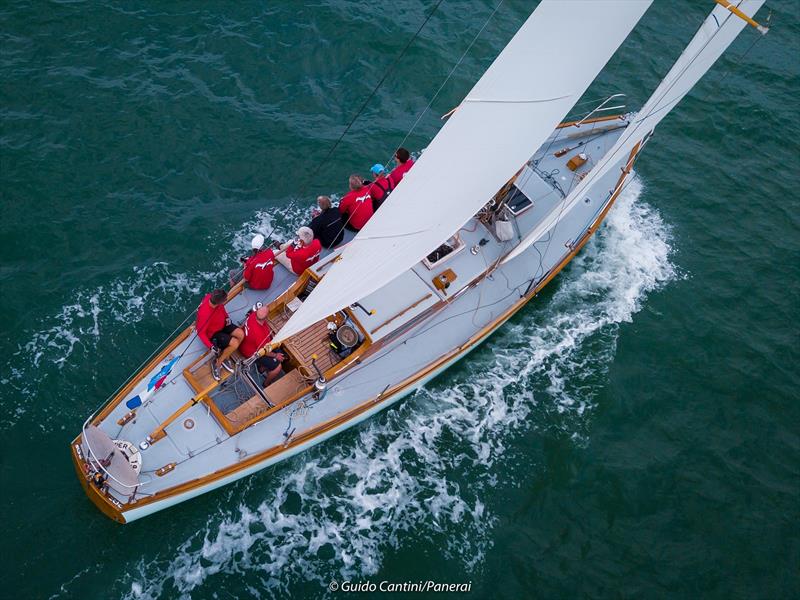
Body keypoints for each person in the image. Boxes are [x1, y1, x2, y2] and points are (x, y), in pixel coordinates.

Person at [195, 288, 244, 381]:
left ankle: (226, 355)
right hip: (214, 333)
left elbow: (222, 308)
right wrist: (210, 346)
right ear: (218, 302)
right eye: (224, 300)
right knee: (235, 343)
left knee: (240, 334)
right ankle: (218, 362)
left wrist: (227, 317)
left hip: (223, 324)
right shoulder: (204, 314)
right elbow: (200, 333)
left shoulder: (211, 297)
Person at [239, 303, 285, 386]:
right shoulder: (259, 334)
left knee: (279, 351)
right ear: (267, 316)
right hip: (251, 353)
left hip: (248, 343)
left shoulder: (253, 315)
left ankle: (261, 369)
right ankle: (266, 383)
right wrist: (275, 355)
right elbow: (264, 352)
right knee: (278, 367)